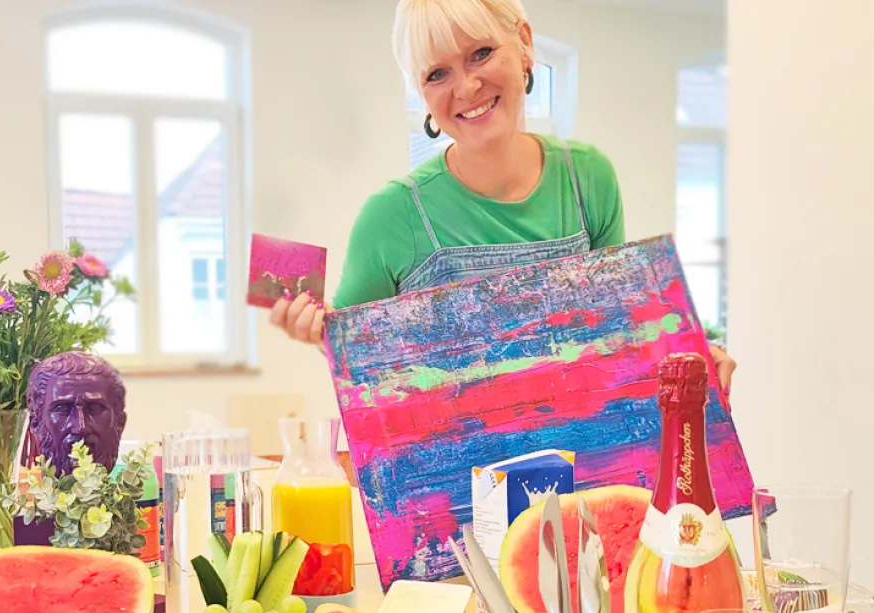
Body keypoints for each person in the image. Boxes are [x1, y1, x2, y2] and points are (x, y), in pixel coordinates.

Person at [271, 0, 737, 393]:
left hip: (579, 476)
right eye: (437, 73)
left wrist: (694, 351)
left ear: (525, 45)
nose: (466, 87)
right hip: (453, 490)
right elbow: (365, 374)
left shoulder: (588, 178)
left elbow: (616, 328)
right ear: (421, 93)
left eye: (480, 53)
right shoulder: (390, 218)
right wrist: (317, 332)